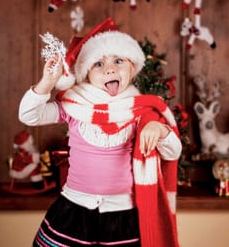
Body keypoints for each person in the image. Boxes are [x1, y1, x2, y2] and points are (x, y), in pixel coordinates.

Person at [19, 17, 182, 247]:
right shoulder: (74, 105)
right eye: (98, 64)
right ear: (86, 73)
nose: (110, 69)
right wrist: (46, 83)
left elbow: (173, 152)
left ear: (132, 67)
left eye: (118, 60)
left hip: (122, 212)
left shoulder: (141, 110)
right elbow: (29, 115)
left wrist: (160, 129)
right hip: (74, 208)